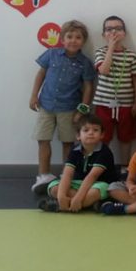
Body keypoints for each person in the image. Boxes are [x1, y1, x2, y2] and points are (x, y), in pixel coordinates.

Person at [29, 20, 95, 194]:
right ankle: (43, 175)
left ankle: (67, 176)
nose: (73, 40)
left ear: (83, 41)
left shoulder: (85, 63)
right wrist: (34, 95)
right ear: (62, 39)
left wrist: (82, 109)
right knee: (43, 139)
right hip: (46, 105)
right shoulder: (51, 54)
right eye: (69, 36)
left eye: (78, 37)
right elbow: (41, 74)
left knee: (68, 142)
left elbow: (88, 86)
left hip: (69, 108)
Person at [37, 114, 117, 212]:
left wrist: (78, 198)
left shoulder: (104, 152)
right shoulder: (75, 150)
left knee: (95, 193)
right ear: (78, 135)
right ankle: (87, 204)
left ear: (102, 135)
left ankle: (60, 205)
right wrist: (61, 196)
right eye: (86, 130)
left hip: (99, 184)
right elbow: (67, 174)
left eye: (95, 130)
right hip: (78, 183)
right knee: (53, 188)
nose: (91, 133)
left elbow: (92, 177)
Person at [93, 15, 136, 172]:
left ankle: (125, 166)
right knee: (103, 137)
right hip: (103, 104)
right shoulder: (100, 52)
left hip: (126, 104)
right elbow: (104, 70)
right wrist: (111, 48)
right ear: (103, 35)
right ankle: (101, 166)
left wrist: (135, 103)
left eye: (118, 29)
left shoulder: (132, 56)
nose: (113, 32)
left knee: (125, 137)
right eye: (109, 29)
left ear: (124, 33)